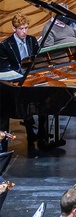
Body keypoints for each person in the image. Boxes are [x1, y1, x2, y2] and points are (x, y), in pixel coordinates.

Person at [0, 12, 39, 153]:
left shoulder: (32, 40)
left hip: (30, 78)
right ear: (14, 28)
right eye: (21, 28)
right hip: (13, 81)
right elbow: (4, 67)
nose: (24, 31)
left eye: (26, 28)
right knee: (9, 108)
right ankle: (3, 144)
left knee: (40, 101)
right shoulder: (5, 45)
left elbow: (37, 60)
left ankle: (37, 134)